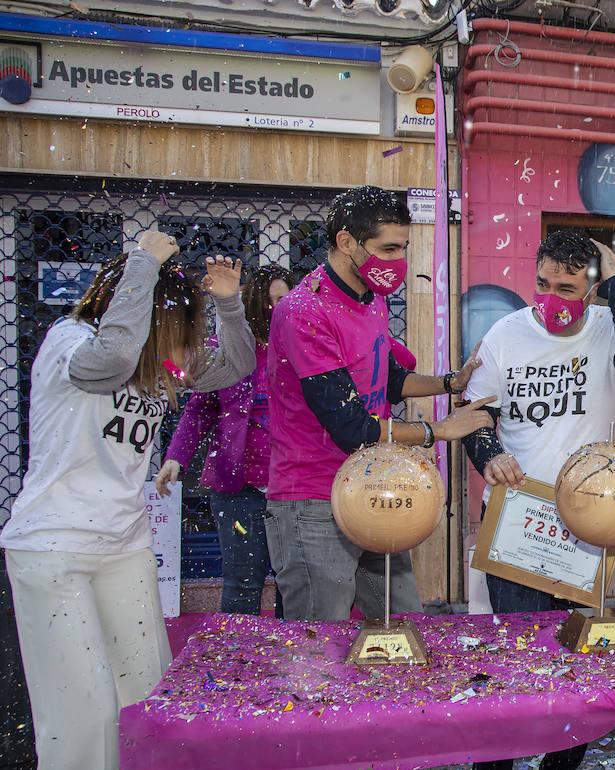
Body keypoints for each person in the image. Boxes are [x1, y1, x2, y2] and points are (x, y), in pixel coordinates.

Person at [1, 229, 255, 770]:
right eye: (178, 330)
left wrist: (230, 303)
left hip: (123, 545)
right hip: (54, 547)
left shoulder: (155, 365)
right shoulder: (70, 341)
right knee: (82, 713)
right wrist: (143, 263)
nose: (183, 348)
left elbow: (236, 366)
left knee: (144, 690)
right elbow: (111, 360)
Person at [462, 227, 615, 770]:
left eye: (569, 287)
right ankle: (497, 761)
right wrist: (487, 455)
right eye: (543, 283)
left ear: (594, 288)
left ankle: (560, 763)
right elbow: (475, 413)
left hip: (587, 520)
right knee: (518, 658)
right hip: (518, 516)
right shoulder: (505, 334)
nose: (552, 298)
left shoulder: (608, 328)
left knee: (578, 661)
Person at [265, 185, 493, 622]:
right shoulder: (304, 311)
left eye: (403, 248)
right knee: (320, 645)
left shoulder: (373, 298)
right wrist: (436, 432)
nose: (396, 262)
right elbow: (351, 425)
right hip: (313, 499)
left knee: (400, 624)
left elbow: (385, 379)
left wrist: (449, 382)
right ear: (346, 241)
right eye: (387, 248)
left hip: (371, 487)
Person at [155, 265, 295, 614]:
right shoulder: (228, 350)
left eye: (285, 300)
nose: (278, 308)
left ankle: (292, 661)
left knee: (292, 584)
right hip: (237, 488)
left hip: (293, 487)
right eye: (269, 301)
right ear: (253, 304)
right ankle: (240, 658)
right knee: (242, 581)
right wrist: (176, 458)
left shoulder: (302, 350)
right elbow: (198, 410)